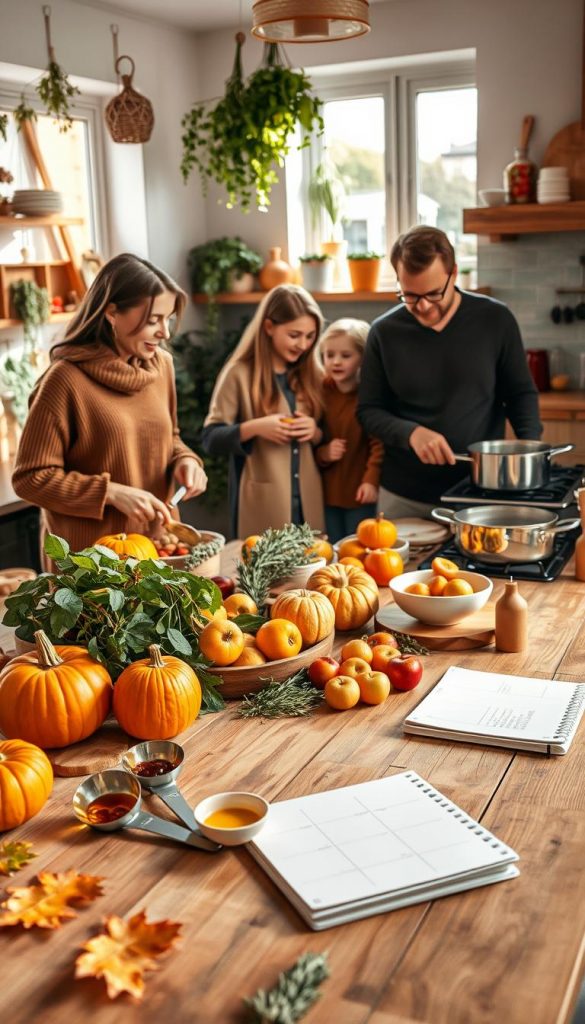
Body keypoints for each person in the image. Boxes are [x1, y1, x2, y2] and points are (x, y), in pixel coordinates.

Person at [13, 253, 207, 562]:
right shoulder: (64, 380)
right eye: (153, 319)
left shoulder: (162, 367)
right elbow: (30, 478)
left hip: (154, 553)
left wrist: (186, 460)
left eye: (168, 319)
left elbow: (170, 437)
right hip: (87, 565)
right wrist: (111, 493)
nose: (165, 333)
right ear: (112, 313)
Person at [357, 226, 542, 518]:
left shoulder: (495, 319)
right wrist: (411, 433)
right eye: (410, 296)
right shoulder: (383, 332)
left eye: (433, 293)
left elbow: (520, 394)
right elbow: (368, 411)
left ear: (453, 273)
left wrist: (530, 453)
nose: (424, 307)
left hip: (480, 492)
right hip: (404, 495)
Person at [202, 284, 325, 538]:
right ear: (268, 327)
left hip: (309, 503)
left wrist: (314, 432)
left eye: (310, 336)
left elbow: (329, 437)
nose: (303, 344)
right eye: (294, 335)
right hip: (261, 505)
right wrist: (255, 428)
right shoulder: (238, 374)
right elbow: (210, 440)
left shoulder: (312, 374)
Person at [315, 318, 383, 542]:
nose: (336, 362)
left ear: (363, 357)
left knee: (358, 544)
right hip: (326, 490)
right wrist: (324, 453)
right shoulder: (321, 391)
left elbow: (378, 444)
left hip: (359, 490)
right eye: (329, 355)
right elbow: (312, 438)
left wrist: (371, 480)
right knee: (333, 545)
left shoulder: (369, 395)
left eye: (346, 356)